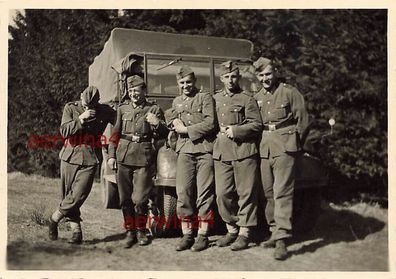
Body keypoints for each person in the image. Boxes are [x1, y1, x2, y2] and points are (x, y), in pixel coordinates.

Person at [253, 57, 309, 260]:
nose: (265, 78)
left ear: (275, 72)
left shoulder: (289, 92)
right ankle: (274, 231)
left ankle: (282, 239)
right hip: (264, 146)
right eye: (261, 75)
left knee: (282, 192)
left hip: (285, 145)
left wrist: (295, 142)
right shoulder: (257, 96)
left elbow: (303, 120)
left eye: (268, 74)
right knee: (268, 193)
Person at [48, 86, 115, 244]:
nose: (88, 108)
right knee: (68, 195)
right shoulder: (70, 108)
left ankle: (54, 218)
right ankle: (76, 233)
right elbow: (64, 131)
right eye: (86, 104)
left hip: (90, 157)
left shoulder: (105, 111)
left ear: (97, 102)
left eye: (92, 105)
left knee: (78, 195)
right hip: (70, 156)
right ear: (80, 97)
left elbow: (121, 121)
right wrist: (80, 119)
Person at [107, 75, 168, 248]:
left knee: (140, 199)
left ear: (144, 91)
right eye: (131, 90)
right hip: (124, 156)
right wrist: (111, 156)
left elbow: (164, 133)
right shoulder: (122, 108)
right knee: (125, 199)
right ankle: (130, 231)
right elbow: (115, 135)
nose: (134, 93)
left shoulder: (153, 109)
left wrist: (156, 123)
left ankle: (141, 230)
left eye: (137, 90)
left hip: (144, 158)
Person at [213, 61, 262, 251]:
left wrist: (237, 130)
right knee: (222, 194)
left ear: (238, 77)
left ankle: (244, 233)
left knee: (246, 193)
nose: (230, 80)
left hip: (244, 152)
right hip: (222, 152)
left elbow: (256, 125)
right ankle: (231, 229)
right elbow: (207, 120)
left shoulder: (247, 99)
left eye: (233, 76)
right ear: (221, 79)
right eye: (226, 77)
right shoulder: (215, 99)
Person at [168, 65, 217, 252]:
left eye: (189, 82)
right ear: (178, 84)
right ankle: (187, 234)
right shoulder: (176, 102)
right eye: (182, 83)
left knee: (205, 193)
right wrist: (172, 123)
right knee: (183, 192)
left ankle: (203, 235)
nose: (186, 85)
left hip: (204, 150)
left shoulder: (204, 97)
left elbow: (210, 123)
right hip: (184, 151)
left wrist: (186, 130)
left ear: (195, 81)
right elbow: (171, 118)